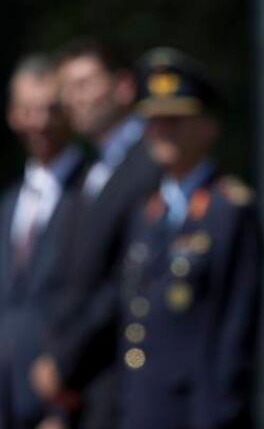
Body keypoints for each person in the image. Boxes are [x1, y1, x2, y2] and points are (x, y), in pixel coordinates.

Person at [114, 48, 263, 429]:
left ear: (208, 127)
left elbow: (236, 329)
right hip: (143, 409)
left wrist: (222, 413)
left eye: (176, 120)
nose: (162, 130)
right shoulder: (146, 212)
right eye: (154, 121)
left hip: (200, 412)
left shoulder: (229, 210)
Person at [31, 39, 162, 429]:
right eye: (67, 89)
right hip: (82, 391)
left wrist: (65, 360)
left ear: (122, 87)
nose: (73, 99)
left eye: (84, 84)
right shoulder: (90, 172)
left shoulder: (150, 163)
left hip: (122, 381)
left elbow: (125, 279)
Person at [0, 54, 87, 429]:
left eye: (50, 109)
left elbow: (94, 302)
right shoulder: (9, 203)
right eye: (27, 110)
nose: (39, 123)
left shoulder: (91, 195)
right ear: (12, 115)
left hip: (60, 406)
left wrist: (63, 407)